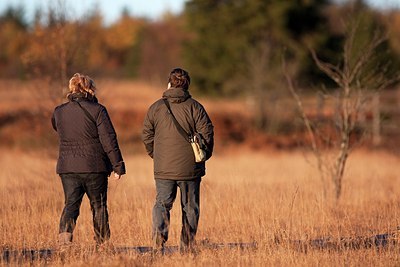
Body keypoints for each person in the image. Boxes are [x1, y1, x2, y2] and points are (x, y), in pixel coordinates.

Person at [142, 68, 214, 253]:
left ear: (169, 84)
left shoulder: (156, 107)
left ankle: (158, 241)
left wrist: (156, 155)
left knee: (162, 204)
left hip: (163, 167)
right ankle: (187, 244)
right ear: (187, 84)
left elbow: (147, 135)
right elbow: (207, 134)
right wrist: (203, 155)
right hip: (190, 167)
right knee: (190, 206)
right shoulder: (195, 107)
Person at [52, 73, 126, 247]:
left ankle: (64, 243)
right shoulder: (98, 110)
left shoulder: (59, 111)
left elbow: (57, 127)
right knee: (99, 206)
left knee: (71, 204)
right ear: (90, 88)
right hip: (95, 167)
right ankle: (102, 244)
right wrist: (118, 165)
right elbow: (109, 139)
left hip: (68, 167)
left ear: (71, 88)